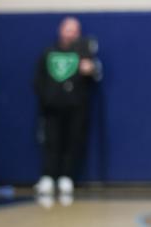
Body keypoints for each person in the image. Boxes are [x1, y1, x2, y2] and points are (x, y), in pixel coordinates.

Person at [33, 17, 102, 198]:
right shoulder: (48, 52)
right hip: (51, 107)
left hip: (76, 107)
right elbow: (38, 79)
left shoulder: (84, 53)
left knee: (72, 142)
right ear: (60, 30)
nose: (70, 33)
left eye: (74, 30)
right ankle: (48, 177)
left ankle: (66, 177)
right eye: (67, 29)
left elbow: (96, 72)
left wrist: (91, 69)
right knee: (51, 142)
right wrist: (46, 97)